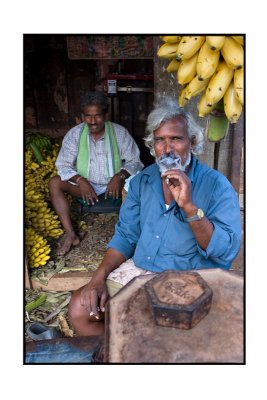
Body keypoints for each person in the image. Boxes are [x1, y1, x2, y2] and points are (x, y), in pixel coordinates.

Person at [68, 97, 241, 336]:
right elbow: (126, 237)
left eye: (176, 139)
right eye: (160, 140)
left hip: (190, 279)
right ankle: (119, 355)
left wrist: (189, 206)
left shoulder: (216, 185)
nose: (167, 149)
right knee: (80, 309)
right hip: (142, 271)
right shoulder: (142, 182)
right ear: (153, 145)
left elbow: (225, 252)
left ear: (191, 142)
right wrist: (98, 278)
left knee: (160, 327)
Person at [49, 91, 144, 256]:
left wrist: (119, 176)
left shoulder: (119, 133)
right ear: (82, 116)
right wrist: (80, 180)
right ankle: (71, 235)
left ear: (106, 115)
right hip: (85, 186)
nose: (92, 121)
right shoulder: (75, 134)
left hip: (115, 186)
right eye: (88, 116)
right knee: (54, 183)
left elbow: (135, 162)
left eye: (97, 116)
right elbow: (62, 165)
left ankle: (130, 238)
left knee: (138, 181)